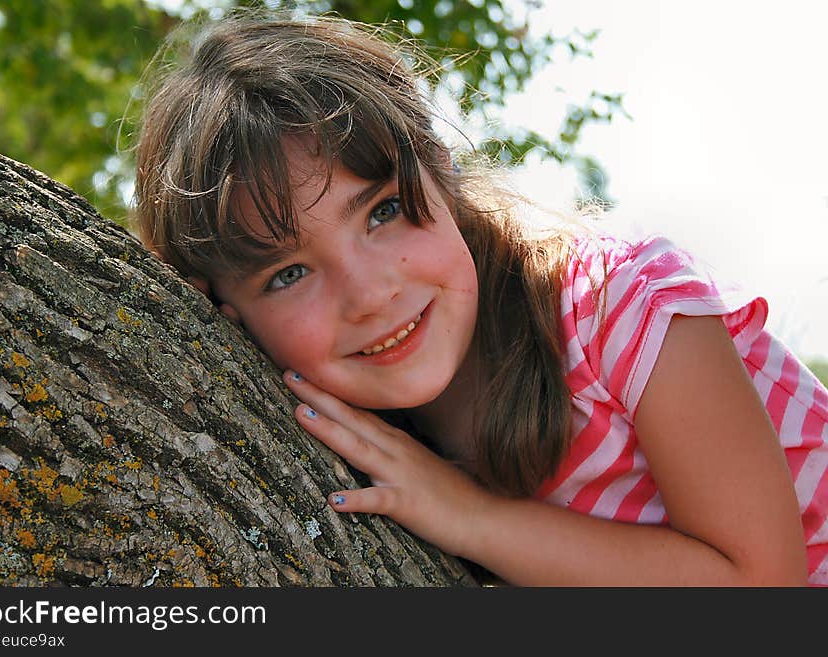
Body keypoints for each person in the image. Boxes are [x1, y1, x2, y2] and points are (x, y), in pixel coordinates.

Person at [133, 11, 828, 586]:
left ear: (440, 173)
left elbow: (763, 590)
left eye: (382, 211)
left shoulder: (620, 303)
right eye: (288, 274)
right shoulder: (339, 444)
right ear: (226, 317)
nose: (372, 294)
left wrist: (470, 516)